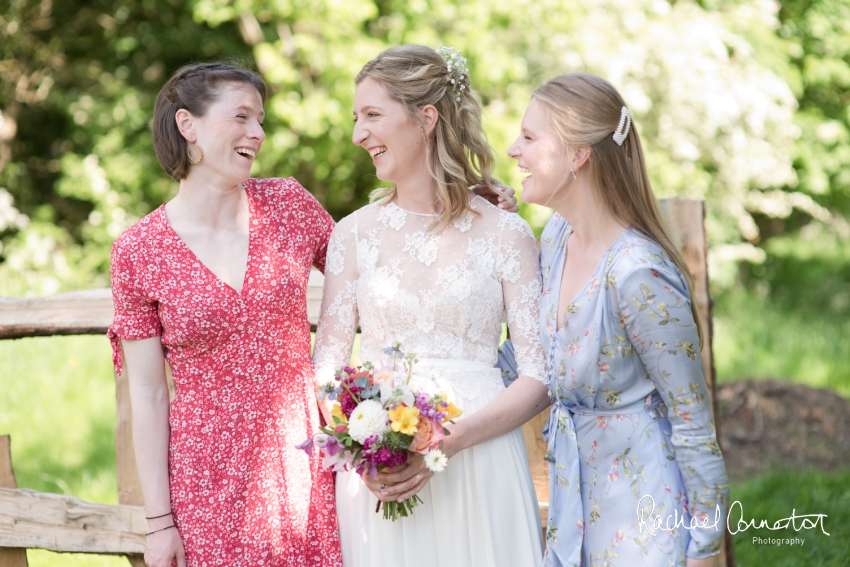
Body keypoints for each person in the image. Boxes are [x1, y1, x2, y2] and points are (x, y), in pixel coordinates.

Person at [108, 61, 517, 567]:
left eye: (260, 119)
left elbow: (386, 254)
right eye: (240, 117)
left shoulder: (288, 207)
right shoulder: (138, 252)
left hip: (306, 471)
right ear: (187, 125)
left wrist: (458, 212)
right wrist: (159, 523)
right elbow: (147, 393)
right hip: (203, 481)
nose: (256, 133)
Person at [311, 44, 551, 567]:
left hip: (482, 463)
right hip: (381, 479)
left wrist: (451, 440)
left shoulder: (507, 233)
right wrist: (366, 451)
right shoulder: (352, 236)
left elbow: (539, 376)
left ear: (426, 118)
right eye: (357, 118)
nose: (358, 135)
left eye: (372, 115)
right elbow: (327, 366)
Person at [501, 73, 730, 567]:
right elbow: (529, 356)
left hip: (641, 518)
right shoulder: (557, 237)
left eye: (529, 136)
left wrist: (705, 551)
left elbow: (692, 423)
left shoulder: (637, 275)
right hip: (571, 507)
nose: (512, 149)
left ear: (578, 154)